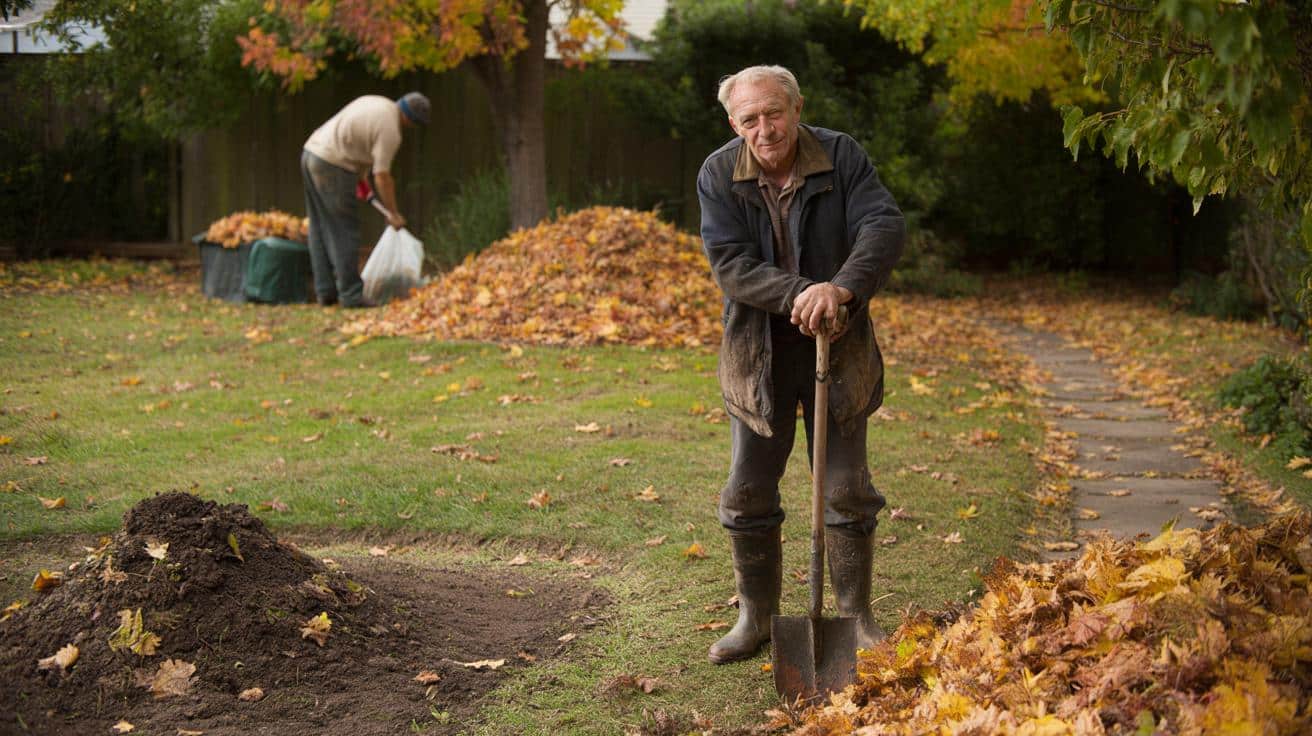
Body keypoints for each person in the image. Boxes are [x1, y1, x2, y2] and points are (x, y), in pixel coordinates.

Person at [696, 65, 905, 664]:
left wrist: (838, 290)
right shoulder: (718, 172)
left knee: (845, 488)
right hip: (758, 355)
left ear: (796, 108)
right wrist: (799, 294)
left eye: (774, 113)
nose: (764, 128)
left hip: (839, 350)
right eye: (749, 119)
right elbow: (730, 264)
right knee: (747, 491)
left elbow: (883, 225)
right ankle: (756, 617)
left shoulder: (840, 156)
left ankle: (854, 617)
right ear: (733, 123)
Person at [300, 92, 429, 307]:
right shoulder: (391, 130)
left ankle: (326, 292)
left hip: (310, 154)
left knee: (320, 226)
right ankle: (351, 295)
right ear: (410, 118)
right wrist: (393, 213)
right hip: (333, 165)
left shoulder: (377, 103)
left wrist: (362, 183)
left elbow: (354, 142)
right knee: (344, 230)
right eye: (415, 124)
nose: (411, 128)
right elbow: (382, 176)